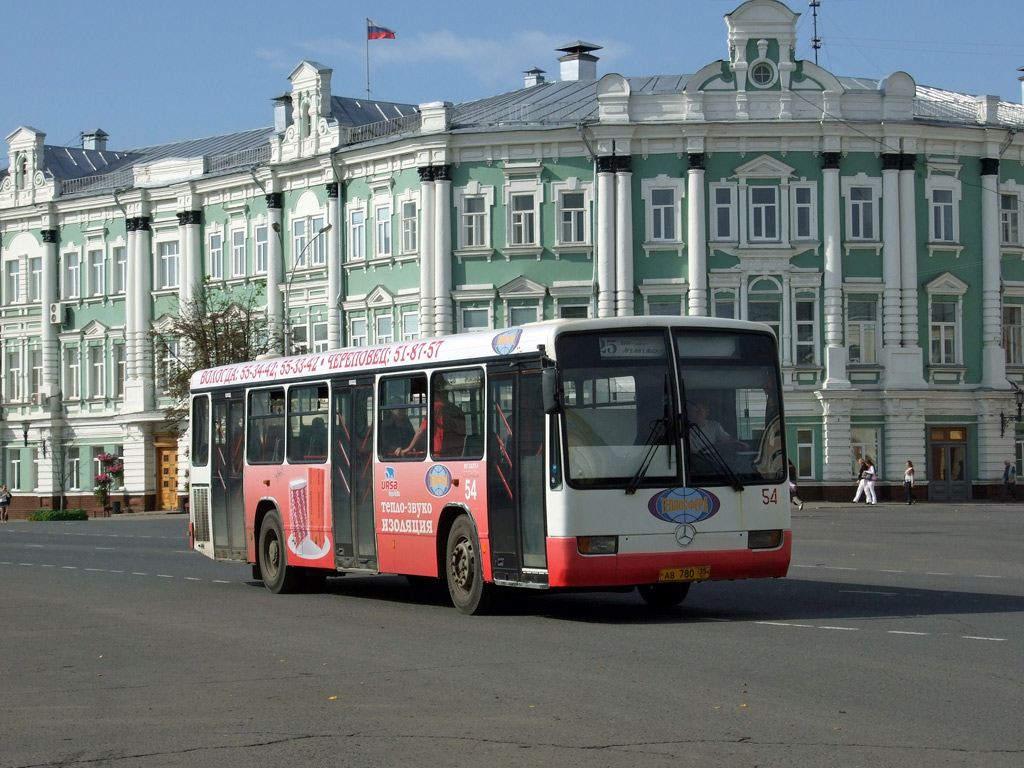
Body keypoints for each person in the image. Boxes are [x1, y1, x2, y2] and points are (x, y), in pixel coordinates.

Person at [399, 385, 466, 458]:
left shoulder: (435, 407)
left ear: (436, 394)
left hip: (439, 452)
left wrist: (409, 448)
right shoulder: (457, 410)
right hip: (457, 451)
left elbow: (421, 431)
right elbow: (462, 433)